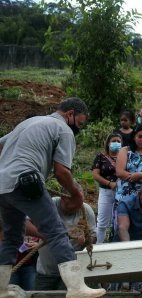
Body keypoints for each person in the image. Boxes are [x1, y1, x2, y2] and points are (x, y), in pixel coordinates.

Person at [0, 97, 105, 297]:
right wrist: (76, 193)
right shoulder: (63, 129)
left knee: (12, 238)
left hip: (2, 186)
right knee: (56, 231)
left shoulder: (28, 123)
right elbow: (61, 172)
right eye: (80, 124)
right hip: (25, 182)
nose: (79, 130)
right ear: (70, 114)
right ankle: (76, 288)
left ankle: (1, 289)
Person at [32, 186, 96, 291]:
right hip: (46, 271)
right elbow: (26, 224)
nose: (78, 208)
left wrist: (86, 240)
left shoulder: (85, 210)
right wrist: (49, 236)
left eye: (80, 204)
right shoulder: (49, 205)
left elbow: (93, 236)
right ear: (63, 199)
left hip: (72, 271)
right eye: (74, 205)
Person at [91, 133, 123, 243]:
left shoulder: (125, 156)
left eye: (119, 141)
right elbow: (95, 175)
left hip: (122, 192)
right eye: (114, 141)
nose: (116, 143)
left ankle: (116, 244)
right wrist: (109, 183)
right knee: (102, 223)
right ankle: (98, 247)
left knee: (120, 221)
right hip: (106, 191)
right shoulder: (100, 157)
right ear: (108, 143)